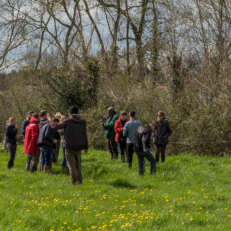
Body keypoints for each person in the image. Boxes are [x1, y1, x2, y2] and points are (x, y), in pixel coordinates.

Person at [49, 106, 88, 185]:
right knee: (78, 166)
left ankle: (74, 182)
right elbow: (85, 135)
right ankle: (80, 182)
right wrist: (86, 146)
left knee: (71, 166)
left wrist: (49, 119)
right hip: (79, 146)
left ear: (70, 112)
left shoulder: (67, 121)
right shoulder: (83, 122)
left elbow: (55, 126)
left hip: (69, 146)